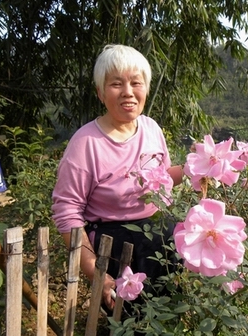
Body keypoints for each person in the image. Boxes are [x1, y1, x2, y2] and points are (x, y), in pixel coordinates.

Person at [51, 44, 184, 318]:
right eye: (116, 84)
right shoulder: (86, 143)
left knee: (170, 320)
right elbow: (67, 212)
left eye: (136, 82)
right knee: (130, 324)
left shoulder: (151, 129)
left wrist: (201, 166)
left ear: (145, 88)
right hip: (116, 249)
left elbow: (163, 179)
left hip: (160, 242)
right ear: (101, 93)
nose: (128, 91)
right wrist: (95, 270)